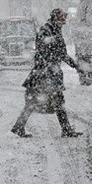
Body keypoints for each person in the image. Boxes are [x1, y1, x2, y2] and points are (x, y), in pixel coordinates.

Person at [11, 8, 83, 138]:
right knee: (48, 101)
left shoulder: (55, 31)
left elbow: (62, 54)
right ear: (55, 19)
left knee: (47, 101)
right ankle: (19, 127)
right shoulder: (47, 31)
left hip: (47, 73)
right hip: (44, 74)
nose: (63, 22)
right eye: (62, 20)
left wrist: (75, 66)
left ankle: (19, 127)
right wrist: (51, 60)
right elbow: (44, 49)